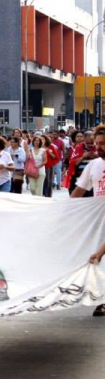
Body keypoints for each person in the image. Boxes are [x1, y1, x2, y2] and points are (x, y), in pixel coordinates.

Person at [73, 125, 105, 316]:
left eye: (103, 144)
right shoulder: (94, 165)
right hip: (98, 220)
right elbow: (79, 191)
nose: (98, 148)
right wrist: (61, 214)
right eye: (97, 144)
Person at [66, 130, 97, 196]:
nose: (90, 145)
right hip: (80, 178)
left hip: (94, 178)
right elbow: (73, 163)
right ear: (84, 140)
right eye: (87, 143)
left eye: (92, 143)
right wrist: (83, 156)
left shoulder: (98, 147)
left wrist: (97, 156)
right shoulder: (78, 147)